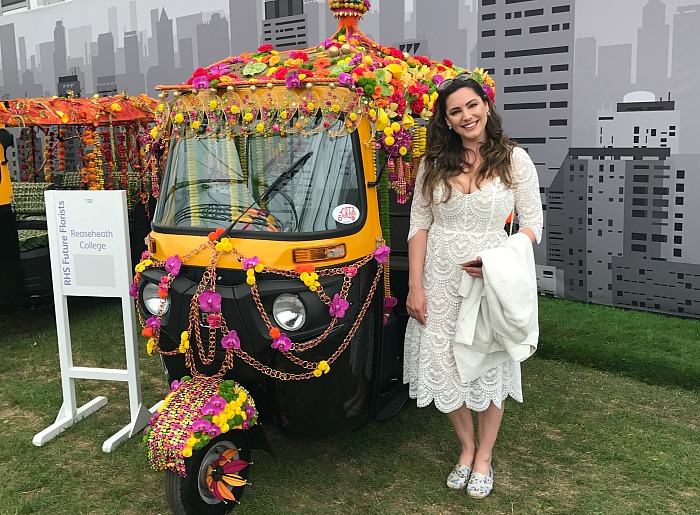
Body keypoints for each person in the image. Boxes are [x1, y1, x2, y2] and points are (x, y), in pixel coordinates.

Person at [403, 71, 543, 499]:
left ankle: (485, 458)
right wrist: (415, 286)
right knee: (442, 363)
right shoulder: (432, 164)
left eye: (472, 105)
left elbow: (533, 223)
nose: (466, 116)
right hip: (438, 279)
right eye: (455, 111)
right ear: (446, 120)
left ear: (486, 106)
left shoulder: (514, 159)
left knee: (488, 361)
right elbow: (419, 223)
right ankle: (466, 448)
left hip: (489, 280)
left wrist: (498, 261)